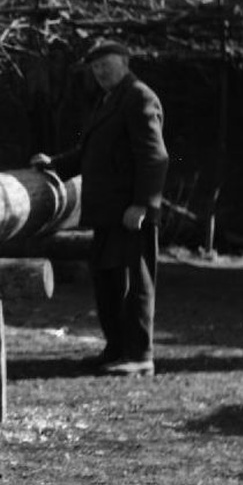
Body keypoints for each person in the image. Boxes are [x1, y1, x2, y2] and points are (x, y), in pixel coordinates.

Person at [31, 40, 168, 377]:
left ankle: (140, 355)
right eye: (95, 68)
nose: (100, 72)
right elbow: (90, 153)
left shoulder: (139, 97)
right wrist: (54, 164)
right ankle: (116, 349)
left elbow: (155, 157)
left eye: (106, 65)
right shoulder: (109, 100)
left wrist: (142, 205)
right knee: (108, 283)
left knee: (135, 284)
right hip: (107, 213)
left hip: (130, 214)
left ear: (124, 62)